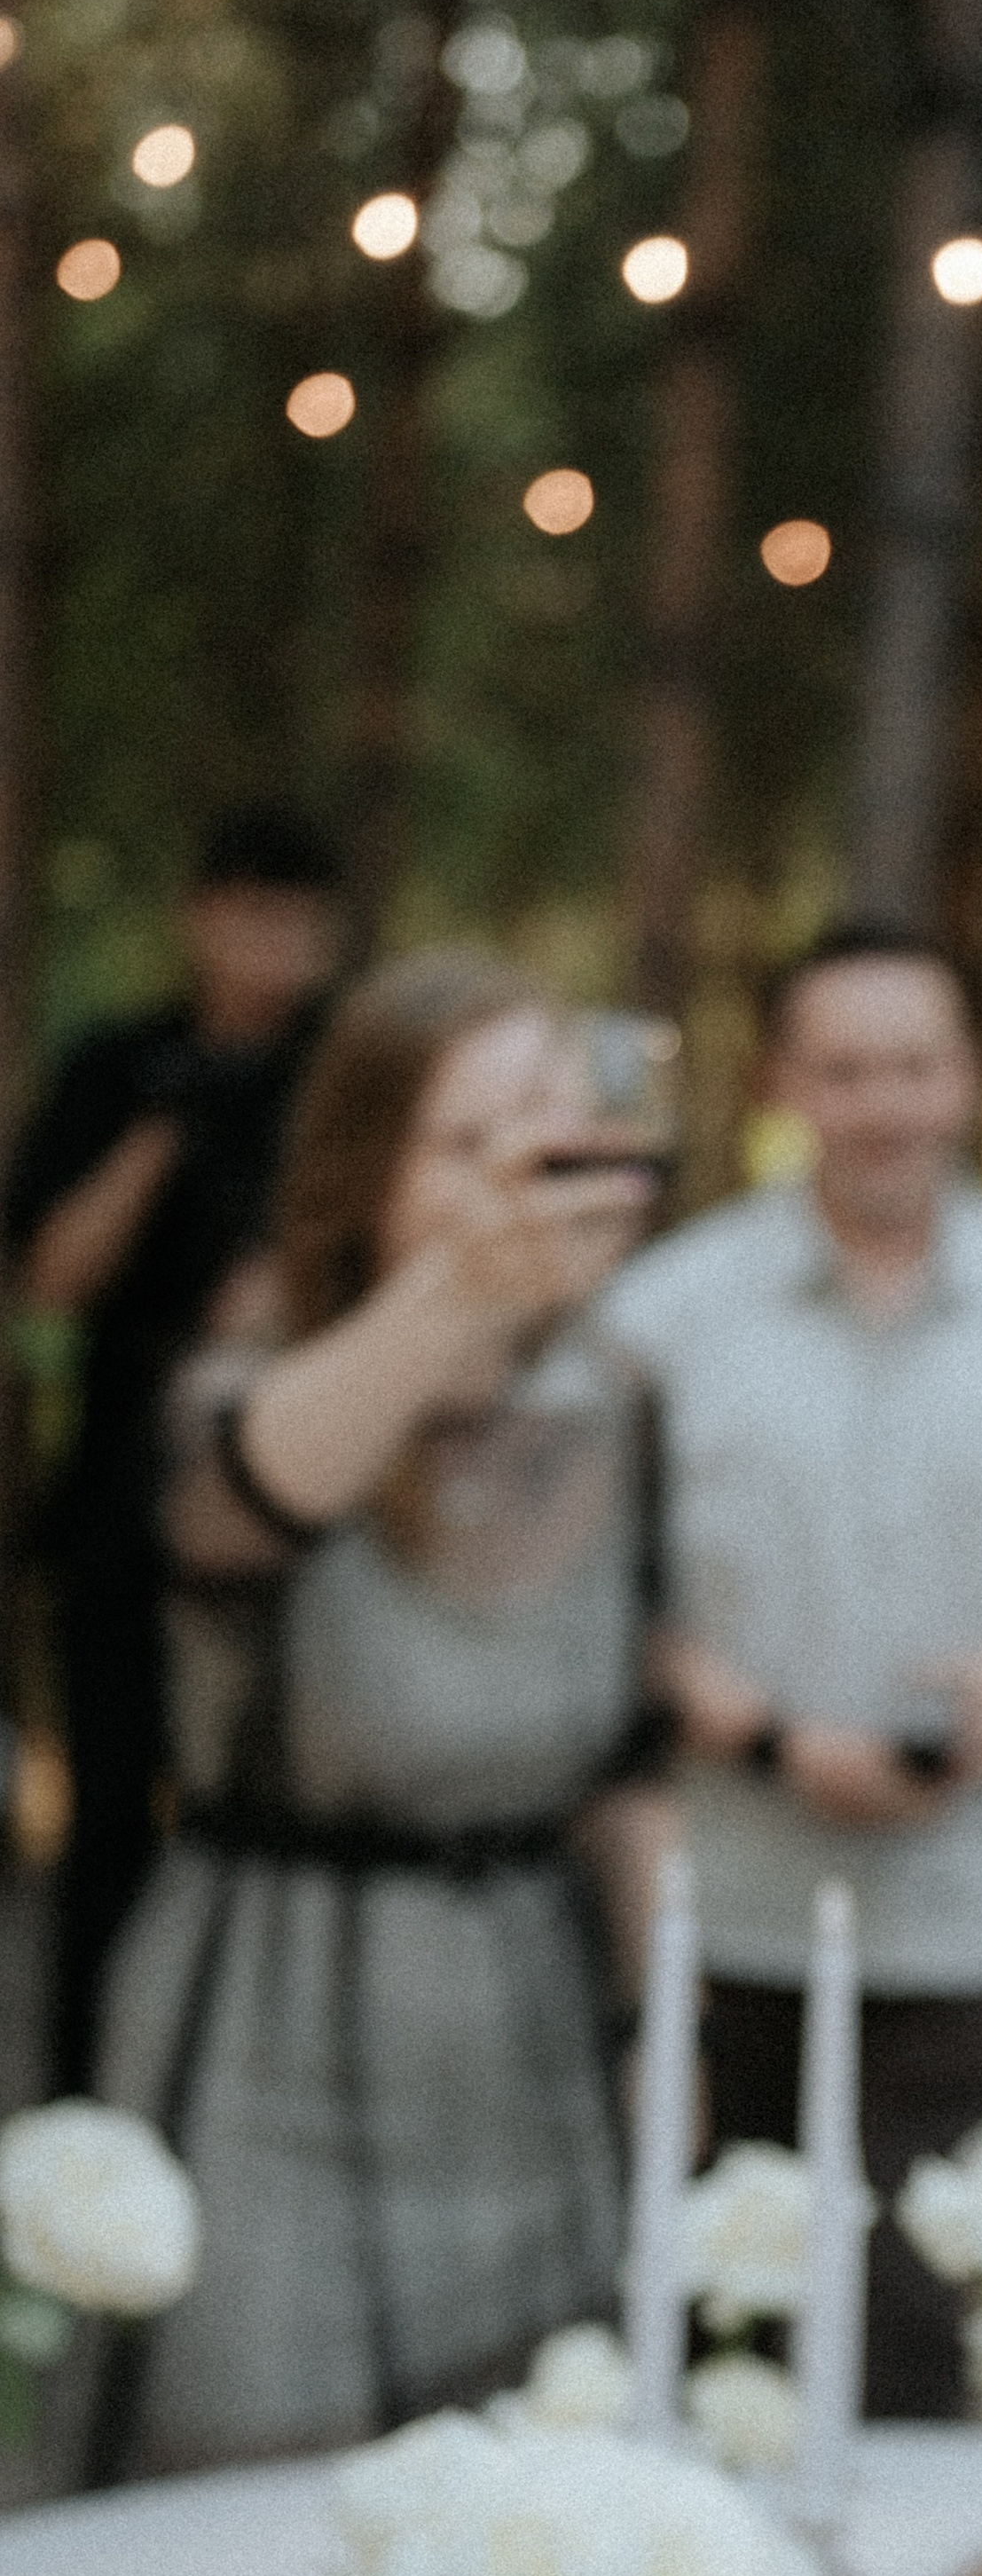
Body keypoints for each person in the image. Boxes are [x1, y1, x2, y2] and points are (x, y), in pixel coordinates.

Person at [89, 949, 663, 2476]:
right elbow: (234, 1515)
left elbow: (626, 1772)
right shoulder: (249, 1385)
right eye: (473, 1143)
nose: (533, 1174)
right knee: (252, 2550)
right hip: (270, 2067)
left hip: (527, 2075)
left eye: (560, 1124)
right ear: (365, 1172)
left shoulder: (619, 1398)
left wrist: (645, 2060)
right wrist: (458, 1296)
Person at [603, 927, 982, 2417]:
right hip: (725, 1905)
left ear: (966, 1078)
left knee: (907, 2318)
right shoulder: (666, 1312)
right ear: (781, 1082)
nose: (884, 1103)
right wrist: (762, 1736)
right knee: (718, 2315)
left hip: (966, 1916)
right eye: (845, 1068)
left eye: (915, 1065)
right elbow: (595, 1595)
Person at [4, 808, 343, 2098]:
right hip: (119, 1495)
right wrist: (163, 1133)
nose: (274, 946)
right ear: (200, 916)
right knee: (106, 1825)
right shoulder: (119, 1065)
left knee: (277, 1809)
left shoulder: (343, 1068)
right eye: (252, 911)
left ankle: (241, 2099)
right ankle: (82, 2116)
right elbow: (51, 1277)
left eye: (298, 918)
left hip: (296, 1500)